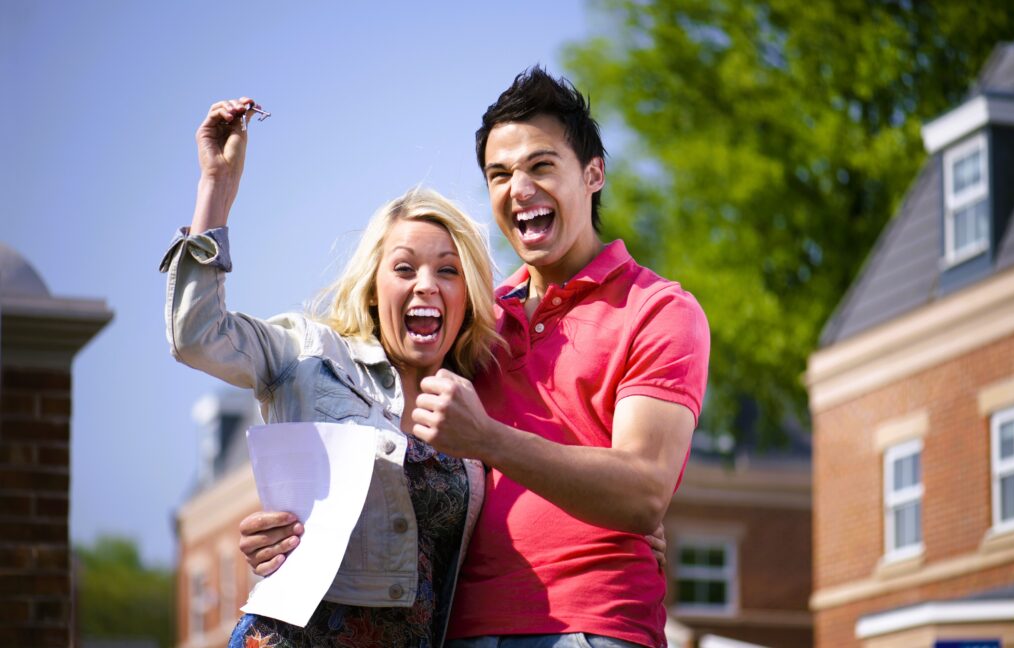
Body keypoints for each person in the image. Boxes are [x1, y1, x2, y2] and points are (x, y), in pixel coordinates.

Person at [244, 66, 708, 648]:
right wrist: (288, 522)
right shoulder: (474, 321)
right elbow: (374, 430)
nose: (519, 188)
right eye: (499, 174)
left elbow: (641, 493)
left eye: (541, 165)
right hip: (454, 631)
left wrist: (489, 439)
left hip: (588, 626)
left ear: (593, 175)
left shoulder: (658, 309)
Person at [161, 98, 502, 646]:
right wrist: (216, 189)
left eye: (448, 270)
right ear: (373, 286)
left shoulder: (480, 405)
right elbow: (196, 336)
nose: (426, 285)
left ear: (469, 296)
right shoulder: (308, 353)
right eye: (405, 267)